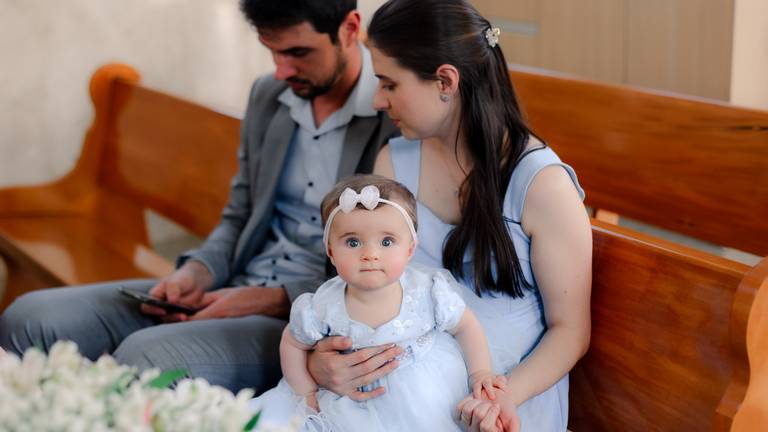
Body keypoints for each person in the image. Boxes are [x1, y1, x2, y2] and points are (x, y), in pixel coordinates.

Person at [0, 0, 400, 393]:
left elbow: (393, 260)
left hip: (307, 318)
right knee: (30, 317)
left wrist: (269, 300)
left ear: (349, 29)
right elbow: (239, 214)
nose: (281, 70)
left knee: (145, 358)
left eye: (298, 53)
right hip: (230, 287)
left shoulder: (393, 114)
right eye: (272, 51)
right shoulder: (268, 95)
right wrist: (196, 272)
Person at [305, 1, 593, 431]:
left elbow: (569, 331)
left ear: (445, 81)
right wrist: (323, 362)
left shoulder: (542, 185)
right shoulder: (393, 163)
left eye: (389, 83)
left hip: (498, 399)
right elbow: (368, 282)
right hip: (398, 394)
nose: (378, 100)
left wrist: (500, 398)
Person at [252, 174, 505, 431]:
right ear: (331, 252)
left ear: (409, 249)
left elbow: (465, 326)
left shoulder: (427, 291)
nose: (370, 254)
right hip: (352, 402)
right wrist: (305, 391)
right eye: (353, 242)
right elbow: (292, 342)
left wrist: (480, 372)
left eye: (386, 242)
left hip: (424, 394)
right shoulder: (322, 304)